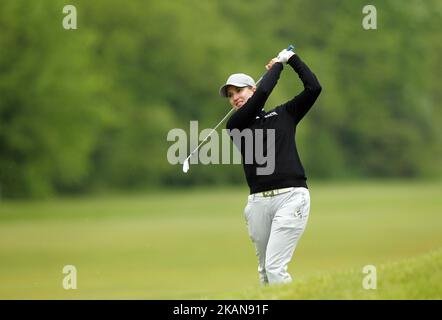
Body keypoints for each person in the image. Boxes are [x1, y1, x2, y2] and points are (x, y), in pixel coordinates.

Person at [219, 47, 322, 285]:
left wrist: (292, 60)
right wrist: (277, 66)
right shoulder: (236, 125)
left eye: (239, 90)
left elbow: (314, 88)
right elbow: (263, 93)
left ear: (251, 89)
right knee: (265, 272)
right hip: (258, 204)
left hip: (291, 197)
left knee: (275, 268)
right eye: (230, 95)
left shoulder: (284, 114)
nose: (235, 97)